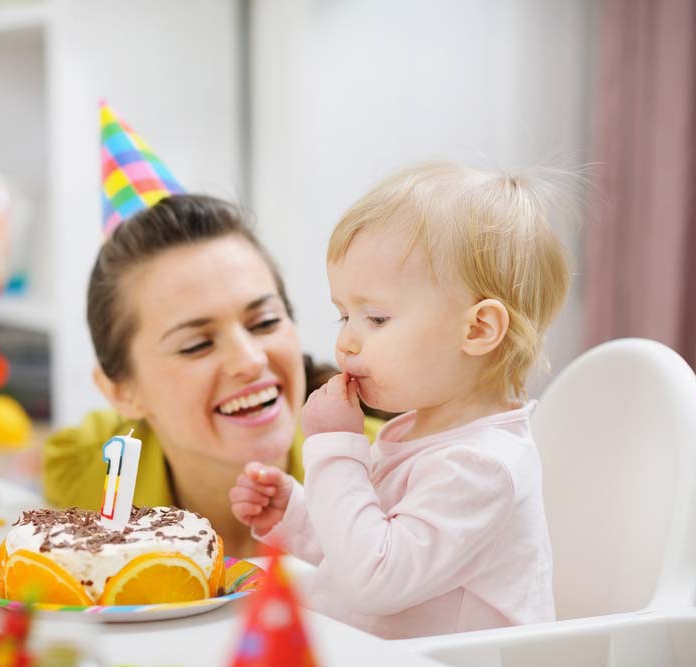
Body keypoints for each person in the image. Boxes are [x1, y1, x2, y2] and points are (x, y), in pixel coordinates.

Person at [230, 161, 573, 639]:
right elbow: (365, 543)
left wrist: (334, 451)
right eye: (342, 316)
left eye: (375, 319)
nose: (346, 342)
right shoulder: (416, 432)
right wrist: (296, 517)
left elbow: (375, 579)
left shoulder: (481, 467)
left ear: (477, 329)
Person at [43, 194, 383, 557]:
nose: (250, 361)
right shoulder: (86, 473)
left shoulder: (398, 473)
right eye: (196, 344)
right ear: (122, 392)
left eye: (265, 322)